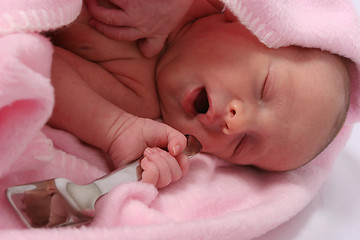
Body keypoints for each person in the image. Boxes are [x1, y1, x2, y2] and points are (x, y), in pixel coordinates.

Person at [48, 0, 350, 188]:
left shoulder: (135, 97)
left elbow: (42, 68)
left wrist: (116, 129)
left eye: (243, 144)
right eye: (263, 88)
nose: (237, 124)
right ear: (250, 24)